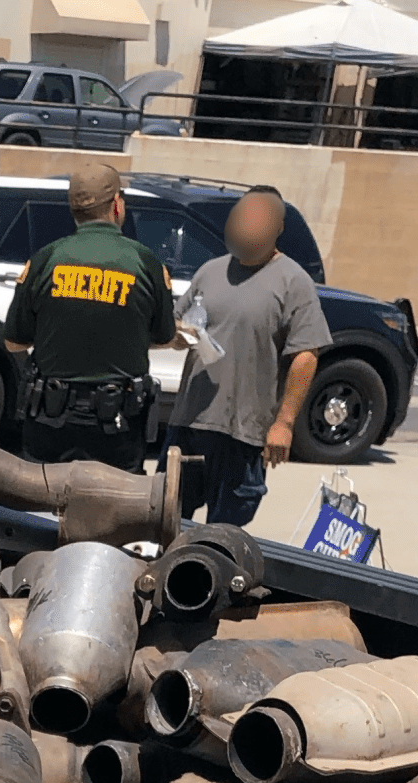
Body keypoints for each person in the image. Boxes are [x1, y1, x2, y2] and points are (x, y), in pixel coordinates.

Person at [164, 185, 333, 527]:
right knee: (166, 522)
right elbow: (176, 327)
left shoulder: (293, 281)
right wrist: (178, 337)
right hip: (189, 423)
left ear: (278, 228)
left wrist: (283, 424)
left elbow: (306, 355)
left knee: (223, 534)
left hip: (243, 432)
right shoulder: (210, 271)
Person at [1, 163, 175, 473]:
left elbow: (14, 341)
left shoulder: (46, 258)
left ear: (74, 209)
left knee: (39, 510)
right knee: (115, 512)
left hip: (48, 419)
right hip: (117, 424)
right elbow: (163, 336)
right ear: (117, 205)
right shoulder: (145, 262)